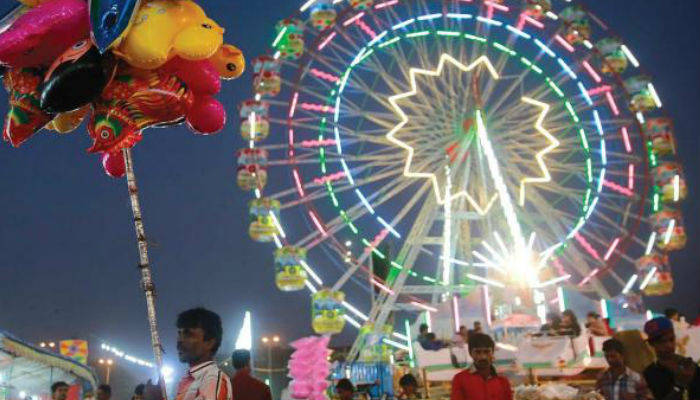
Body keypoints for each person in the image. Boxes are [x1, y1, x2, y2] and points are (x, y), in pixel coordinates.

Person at [143, 307, 232, 400]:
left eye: (188, 334)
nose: (179, 340)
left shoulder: (212, 380)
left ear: (210, 343)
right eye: (179, 333)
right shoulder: (192, 380)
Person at [643, 317, 700, 400]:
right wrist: (679, 386)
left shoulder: (689, 365)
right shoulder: (650, 374)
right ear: (652, 344)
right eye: (662, 342)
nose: (669, 346)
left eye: (671, 339)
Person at [451, 333, 512, 400]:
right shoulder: (460, 380)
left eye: (486, 352)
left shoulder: (503, 381)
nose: (483, 357)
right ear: (470, 353)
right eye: (477, 352)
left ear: (493, 352)